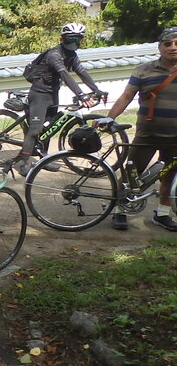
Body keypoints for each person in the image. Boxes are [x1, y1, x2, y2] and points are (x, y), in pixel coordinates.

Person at [97, 26, 177, 232]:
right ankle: (119, 210)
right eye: (167, 44)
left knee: (168, 176)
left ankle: (162, 214)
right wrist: (109, 118)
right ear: (160, 47)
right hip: (147, 134)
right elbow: (126, 96)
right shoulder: (143, 70)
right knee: (132, 173)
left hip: (175, 137)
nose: (173, 47)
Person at [15, 23, 103, 176]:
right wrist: (81, 94)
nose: (74, 42)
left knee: (49, 128)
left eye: (77, 39)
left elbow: (81, 72)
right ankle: (22, 163)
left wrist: (97, 90)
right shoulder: (54, 55)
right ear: (62, 39)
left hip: (53, 95)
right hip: (39, 94)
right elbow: (65, 75)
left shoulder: (72, 56)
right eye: (71, 38)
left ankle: (43, 158)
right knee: (35, 129)